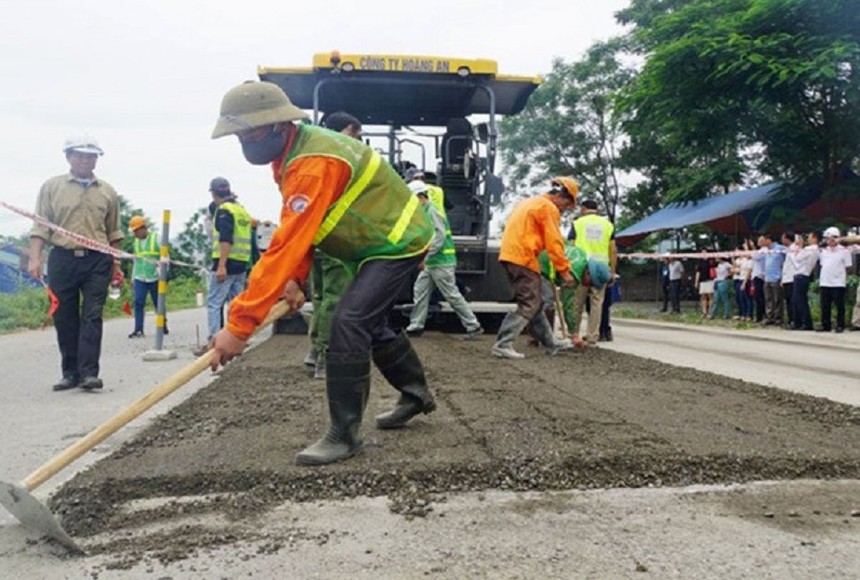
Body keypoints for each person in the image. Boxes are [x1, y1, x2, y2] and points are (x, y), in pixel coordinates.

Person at [209, 81, 435, 466]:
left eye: (252, 132)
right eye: (239, 135)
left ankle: (343, 435)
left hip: (395, 243)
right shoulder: (292, 153)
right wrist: (295, 280)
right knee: (370, 323)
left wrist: (240, 325)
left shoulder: (313, 162)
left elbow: (286, 243)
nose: (245, 141)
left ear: (280, 124)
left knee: (348, 323)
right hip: (367, 245)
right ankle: (416, 394)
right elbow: (299, 228)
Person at [28, 136, 123, 391]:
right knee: (64, 316)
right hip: (62, 259)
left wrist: (116, 265)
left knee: (92, 316)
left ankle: (89, 373)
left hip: (97, 261)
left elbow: (114, 233)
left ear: (97, 159)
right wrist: (35, 258)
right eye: (79, 155)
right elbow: (40, 226)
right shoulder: (51, 187)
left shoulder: (108, 192)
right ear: (68, 157)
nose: (85, 160)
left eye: (90, 156)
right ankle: (70, 372)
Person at [304, 111, 362, 380]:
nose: (357, 141)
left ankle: (315, 349)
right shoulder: (341, 162)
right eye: (355, 134)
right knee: (334, 299)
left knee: (319, 298)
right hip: (335, 239)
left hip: (315, 238)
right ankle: (325, 358)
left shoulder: (313, 158)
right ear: (343, 131)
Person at [492, 177, 578, 359]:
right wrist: (564, 270)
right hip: (523, 257)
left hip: (512, 255)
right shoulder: (548, 208)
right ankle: (503, 344)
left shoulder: (531, 202)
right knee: (530, 303)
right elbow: (554, 242)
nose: (563, 211)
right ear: (562, 197)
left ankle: (550, 342)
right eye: (566, 206)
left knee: (535, 303)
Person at [405, 180, 483, 339]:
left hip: (440, 262)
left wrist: (425, 257)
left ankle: (473, 326)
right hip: (434, 262)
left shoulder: (431, 211)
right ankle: (415, 326)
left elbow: (439, 236)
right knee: (420, 291)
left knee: (452, 295)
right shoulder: (425, 211)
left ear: (420, 196)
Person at [195, 177, 252, 355]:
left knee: (214, 303)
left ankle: (214, 340)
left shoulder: (224, 210)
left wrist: (221, 265)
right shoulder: (241, 210)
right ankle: (239, 338)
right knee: (236, 304)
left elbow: (225, 239)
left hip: (226, 263)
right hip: (241, 263)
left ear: (213, 194)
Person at [569, 198, 617, 343]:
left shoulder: (577, 223)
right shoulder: (608, 225)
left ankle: (574, 335)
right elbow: (613, 250)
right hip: (601, 269)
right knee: (597, 304)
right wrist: (612, 272)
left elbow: (570, 248)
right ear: (596, 209)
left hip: (581, 268)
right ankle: (593, 336)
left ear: (583, 209)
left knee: (577, 303)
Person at [545, 243, 612, 347]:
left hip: (540, 257)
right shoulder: (574, 274)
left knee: (538, 303)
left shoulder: (581, 254)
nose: (589, 288)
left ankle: (541, 339)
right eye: (591, 283)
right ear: (588, 273)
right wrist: (574, 334)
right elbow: (568, 306)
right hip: (539, 266)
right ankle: (545, 341)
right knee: (544, 303)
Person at [128, 215, 163, 338]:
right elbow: (135, 261)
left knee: (158, 302)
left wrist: (162, 272)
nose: (134, 234)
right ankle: (138, 329)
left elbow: (165, 257)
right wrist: (133, 278)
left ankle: (162, 325)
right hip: (140, 277)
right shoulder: (136, 243)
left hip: (154, 276)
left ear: (143, 228)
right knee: (138, 302)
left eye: (135, 230)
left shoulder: (156, 239)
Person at [817, 227, 853, 333]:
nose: (828, 241)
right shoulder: (823, 251)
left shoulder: (844, 251)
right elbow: (822, 264)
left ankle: (840, 325)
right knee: (825, 305)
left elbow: (848, 267)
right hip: (825, 281)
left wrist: (843, 279)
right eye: (827, 239)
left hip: (838, 282)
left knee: (839, 306)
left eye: (831, 239)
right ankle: (825, 325)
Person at [789, 231, 819, 331]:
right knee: (796, 300)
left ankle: (806, 323)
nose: (808, 239)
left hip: (802, 275)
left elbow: (797, 259)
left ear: (815, 238)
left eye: (809, 237)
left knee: (800, 301)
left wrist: (799, 247)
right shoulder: (811, 249)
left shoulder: (811, 249)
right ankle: (798, 322)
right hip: (801, 276)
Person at [762, 234, 786, 325]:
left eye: (763, 240)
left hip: (777, 277)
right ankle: (769, 317)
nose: (762, 242)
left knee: (777, 299)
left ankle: (778, 318)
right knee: (768, 299)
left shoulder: (780, 248)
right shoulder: (766, 251)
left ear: (769, 240)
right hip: (767, 277)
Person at [780, 232, 797, 328]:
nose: (782, 240)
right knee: (788, 301)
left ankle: (793, 320)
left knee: (792, 301)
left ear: (787, 239)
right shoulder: (787, 250)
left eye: (783, 238)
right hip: (787, 279)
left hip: (792, 278)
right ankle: (790, 319)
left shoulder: (794, 249)